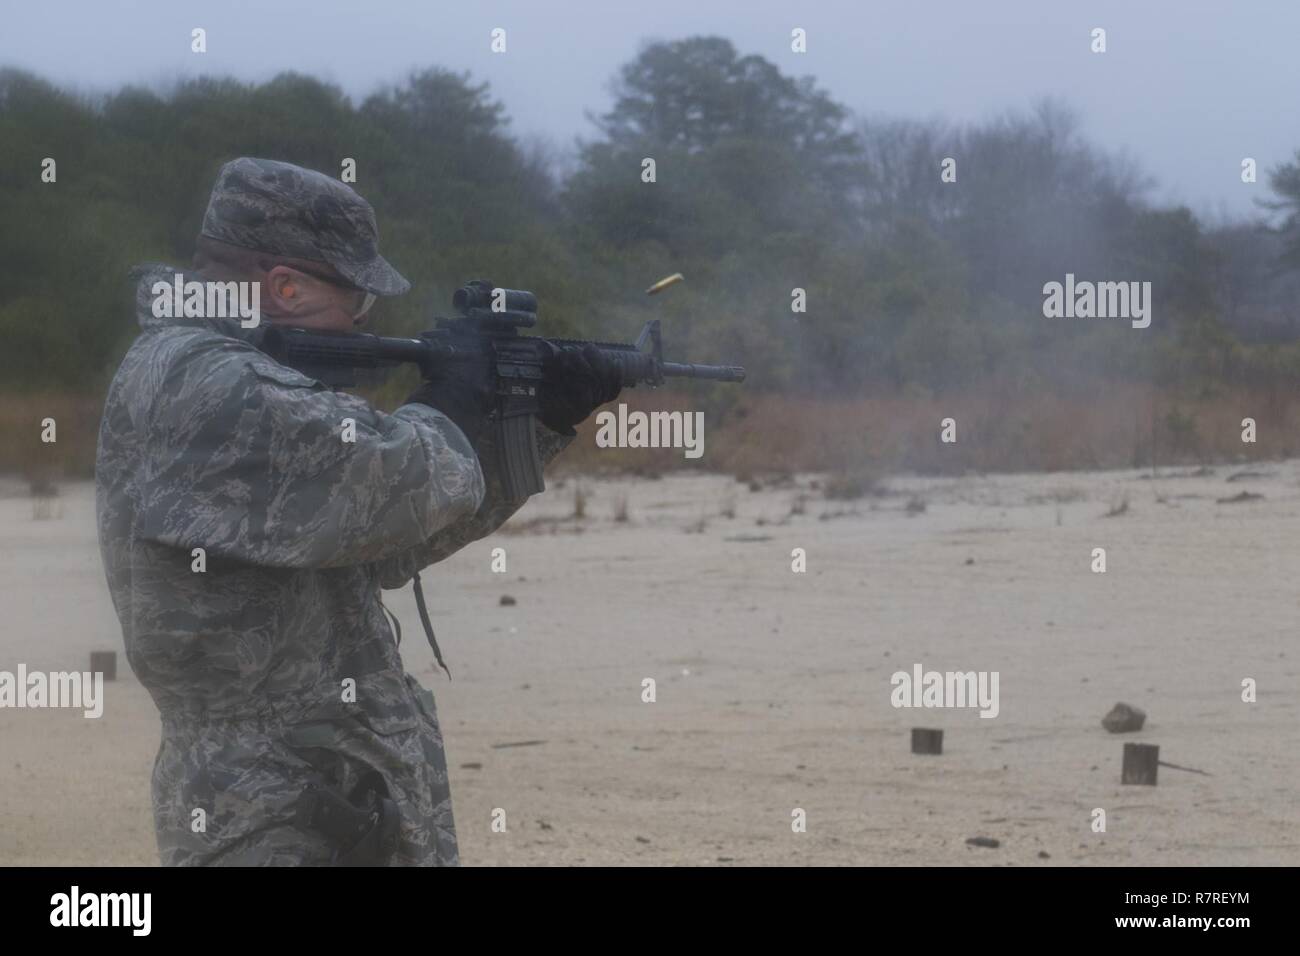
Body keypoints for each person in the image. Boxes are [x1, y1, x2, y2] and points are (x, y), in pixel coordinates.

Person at [95, 157, 620, 865]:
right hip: (273, 806)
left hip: (324, 784)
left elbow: (387, 541)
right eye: (358, 299)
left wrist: (538, 422)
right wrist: (456, 399)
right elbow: (400, 474)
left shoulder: (240, 371)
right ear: (284, 285)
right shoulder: (207, 379)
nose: (363, 320)